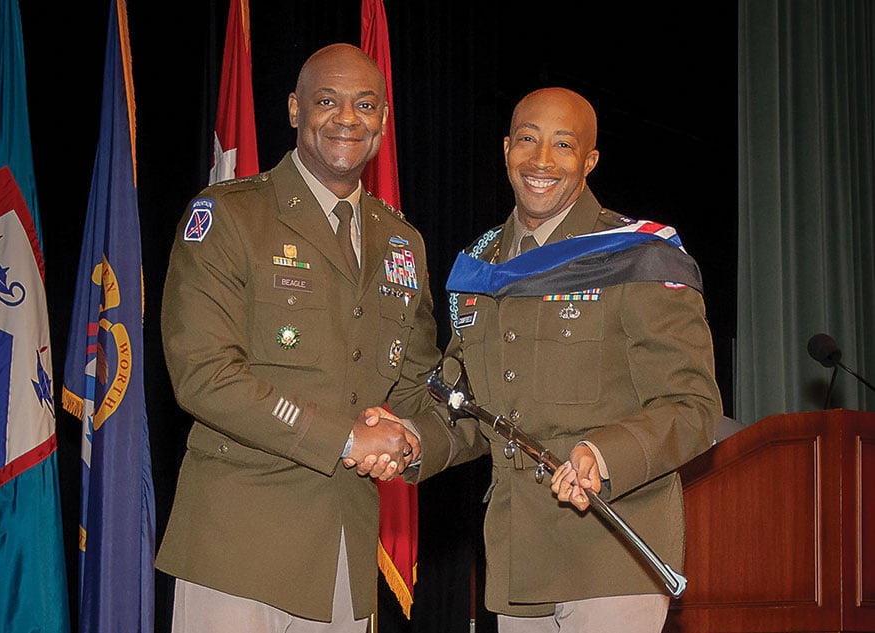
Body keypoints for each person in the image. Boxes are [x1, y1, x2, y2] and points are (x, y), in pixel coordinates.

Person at [408, 87, 724, 632]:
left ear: (590, 160)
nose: (541, 160)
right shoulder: (480, 265)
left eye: (563, 145)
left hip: (612, 549)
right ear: (506, 148)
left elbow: (693, 405)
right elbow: (469, 411)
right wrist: (410, 440)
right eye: (528, 139)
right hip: (518, 559)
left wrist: (603, 454)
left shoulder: (636, 255)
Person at [157, 43, 446, 632]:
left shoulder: (402, 242)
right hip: (236, 550)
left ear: (384, 120)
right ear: (295, 109)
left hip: (341, 553)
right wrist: (347, 437)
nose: (348, 118)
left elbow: (419, 387)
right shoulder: (230, 216)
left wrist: (413, 439)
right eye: (327, 101)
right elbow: (204, 375)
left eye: (365, 104)